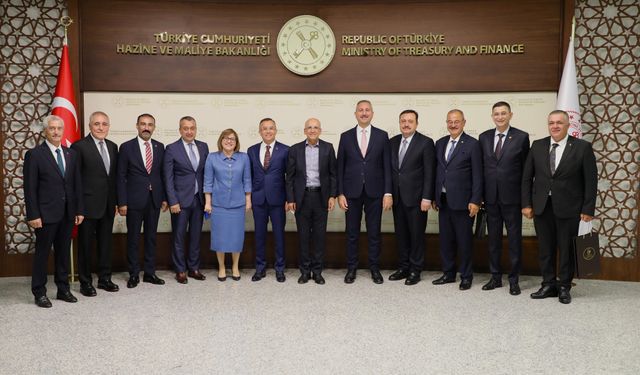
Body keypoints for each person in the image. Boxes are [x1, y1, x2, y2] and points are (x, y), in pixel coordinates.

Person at [522, 110, 597, 304]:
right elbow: (526, 178)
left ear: (567, 125)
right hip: (542, 207)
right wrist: (526, 204)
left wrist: (588, 209)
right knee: (545, 249)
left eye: (559, 123)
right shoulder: (537, 146)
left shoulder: (582, 147)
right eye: (551, 123)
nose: (555, 126)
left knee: (566, 249)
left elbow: (591, 181)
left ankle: (564, 286)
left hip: (570, 208)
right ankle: (547, 284)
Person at [24, 115, 84, 308]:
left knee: (63, 253)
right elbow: (30, 188)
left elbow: (76, 185)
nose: (56, 132)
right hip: (45, 214)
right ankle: (39, 292)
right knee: (42, 254)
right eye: (52, 128)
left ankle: (63, 289)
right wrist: (33, 215)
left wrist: (78, 210)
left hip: (67, 213)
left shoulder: (71, 154)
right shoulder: (34, 155)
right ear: (45, 131)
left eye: (59, 128)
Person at [337, 100, 392, 284]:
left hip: (375, 192)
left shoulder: (382, 136)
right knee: (351, 233)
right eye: (360, 110)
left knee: (374, 232)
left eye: (367, 110)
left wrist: (387, 193)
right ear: (355, 113)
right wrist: (340, 193)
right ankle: (351, 268)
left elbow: (387, 167)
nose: (364, 113)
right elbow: (340, 167)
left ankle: (374, 268)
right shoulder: (345, 137)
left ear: (372, 113)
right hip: (351, 193)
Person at [478, 102, 530, 295]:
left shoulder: (521, 137)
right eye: (496, 114)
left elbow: (526, 172)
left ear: (510, 115)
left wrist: (526, 201)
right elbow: (481, 169)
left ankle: (514, 280)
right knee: (493, 241)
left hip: (512, 199)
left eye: (503, 113)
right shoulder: (483, 137)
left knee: (514, 240)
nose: (500, 117)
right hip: (490, 199)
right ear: (492, 116)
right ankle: (495, 277)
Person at [433, 109, 482, 290]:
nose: (453, 124)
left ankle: (466, 276)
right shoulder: (440, 143)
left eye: (456, 121)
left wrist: (476, 200)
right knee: (446, 240)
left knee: (464, 241)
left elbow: (478, 175)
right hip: (443, 200)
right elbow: (438, 171)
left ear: (464, 122)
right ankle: (448, 273)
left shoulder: (472, 144)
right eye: (450, 121)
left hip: (464, 202)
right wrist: (434, 196)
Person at [117, 113, 168, 288]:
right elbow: (121, 176)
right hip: (133, 201)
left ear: (154, 127)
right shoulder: (126, 147)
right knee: (133, 238)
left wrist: (164, 198)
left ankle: (149, 273)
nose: (146, 127)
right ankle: (133, 274)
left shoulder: (160, 147)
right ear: (137, 126)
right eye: (143, 124)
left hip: (154, 200)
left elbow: (163, 175)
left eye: (150, 125)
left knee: (151, 237)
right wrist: (122, 202)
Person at [71, 111, 119, 297]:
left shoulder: (113, 147)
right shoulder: (79, 147)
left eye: (104, 124)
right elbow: (75, 180)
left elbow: (113, 178)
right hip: (87, 206)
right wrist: (78, 208)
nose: (101, 127)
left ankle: (105, 279)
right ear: (90, 126)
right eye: (97, 124)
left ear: (108, 126)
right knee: (85, 246)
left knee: (106, 244)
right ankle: (85, 282)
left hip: (107, 205)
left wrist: (115, 202)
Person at [286, 118, 337, 285]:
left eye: (315, 127)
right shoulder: (295, 149)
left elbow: (333, 174)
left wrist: (332, 196)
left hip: (321, 197)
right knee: (303, 236)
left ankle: (317, 272)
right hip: (302, 198)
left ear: (320, 130)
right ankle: (305, 272)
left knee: (319, 237)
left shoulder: (328, 148)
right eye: (309, 127)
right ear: (304, 130)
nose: (312, 130)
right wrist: (291, 198)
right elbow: (290, 177)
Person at [388, 109, 435, 286]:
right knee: (401, 235)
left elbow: (430, 172)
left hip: (417, 199)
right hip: (398, 198)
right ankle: (403, 267)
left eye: (410, 121)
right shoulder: (392, 142)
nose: (406, 124)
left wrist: (427, 197)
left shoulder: (425, 143)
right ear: (399, 123)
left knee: (416, 236)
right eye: (403, 121)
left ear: (416, 123)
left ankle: (415, 270)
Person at [163, 116, 209, 284]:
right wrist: (173, 201)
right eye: (186, 128)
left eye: (192, 128)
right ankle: (180, 270)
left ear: (196, 129)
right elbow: (167, 178)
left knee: (196, 236)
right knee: (179, 236)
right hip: (180, 202)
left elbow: (205, 174)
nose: (189, 131)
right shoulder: (172, 149)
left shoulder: (203, 147)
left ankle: (194, 268)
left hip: (199, 200)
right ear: (180, 130)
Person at [204, 129, 251, 281]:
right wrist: (208, 203)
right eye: (226, 138)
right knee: (220, 238)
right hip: (218, 205)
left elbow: (247, 180)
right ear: (221, 140)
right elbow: (208, 182)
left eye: (232, 138)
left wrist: (248, 200)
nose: (229, 141)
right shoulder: (212, 158)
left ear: (236, 142)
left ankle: (235, 267)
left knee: (236, 237)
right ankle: (222, 267)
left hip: (238, 204)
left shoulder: (244, 158)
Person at [247, 118, 289, 282]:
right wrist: (248, 197)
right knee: (259, 235)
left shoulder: (285, 150)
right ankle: (260, 268)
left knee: (279, 235)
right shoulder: (251, 150)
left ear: (276, 130)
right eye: (264, 128)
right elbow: (248, 176)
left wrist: (289, 198)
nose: (268, 131)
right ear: (260, 131)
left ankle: (280, 269)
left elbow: (290, 177)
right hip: (258, 199)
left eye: (271, 128)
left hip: (278, 200)